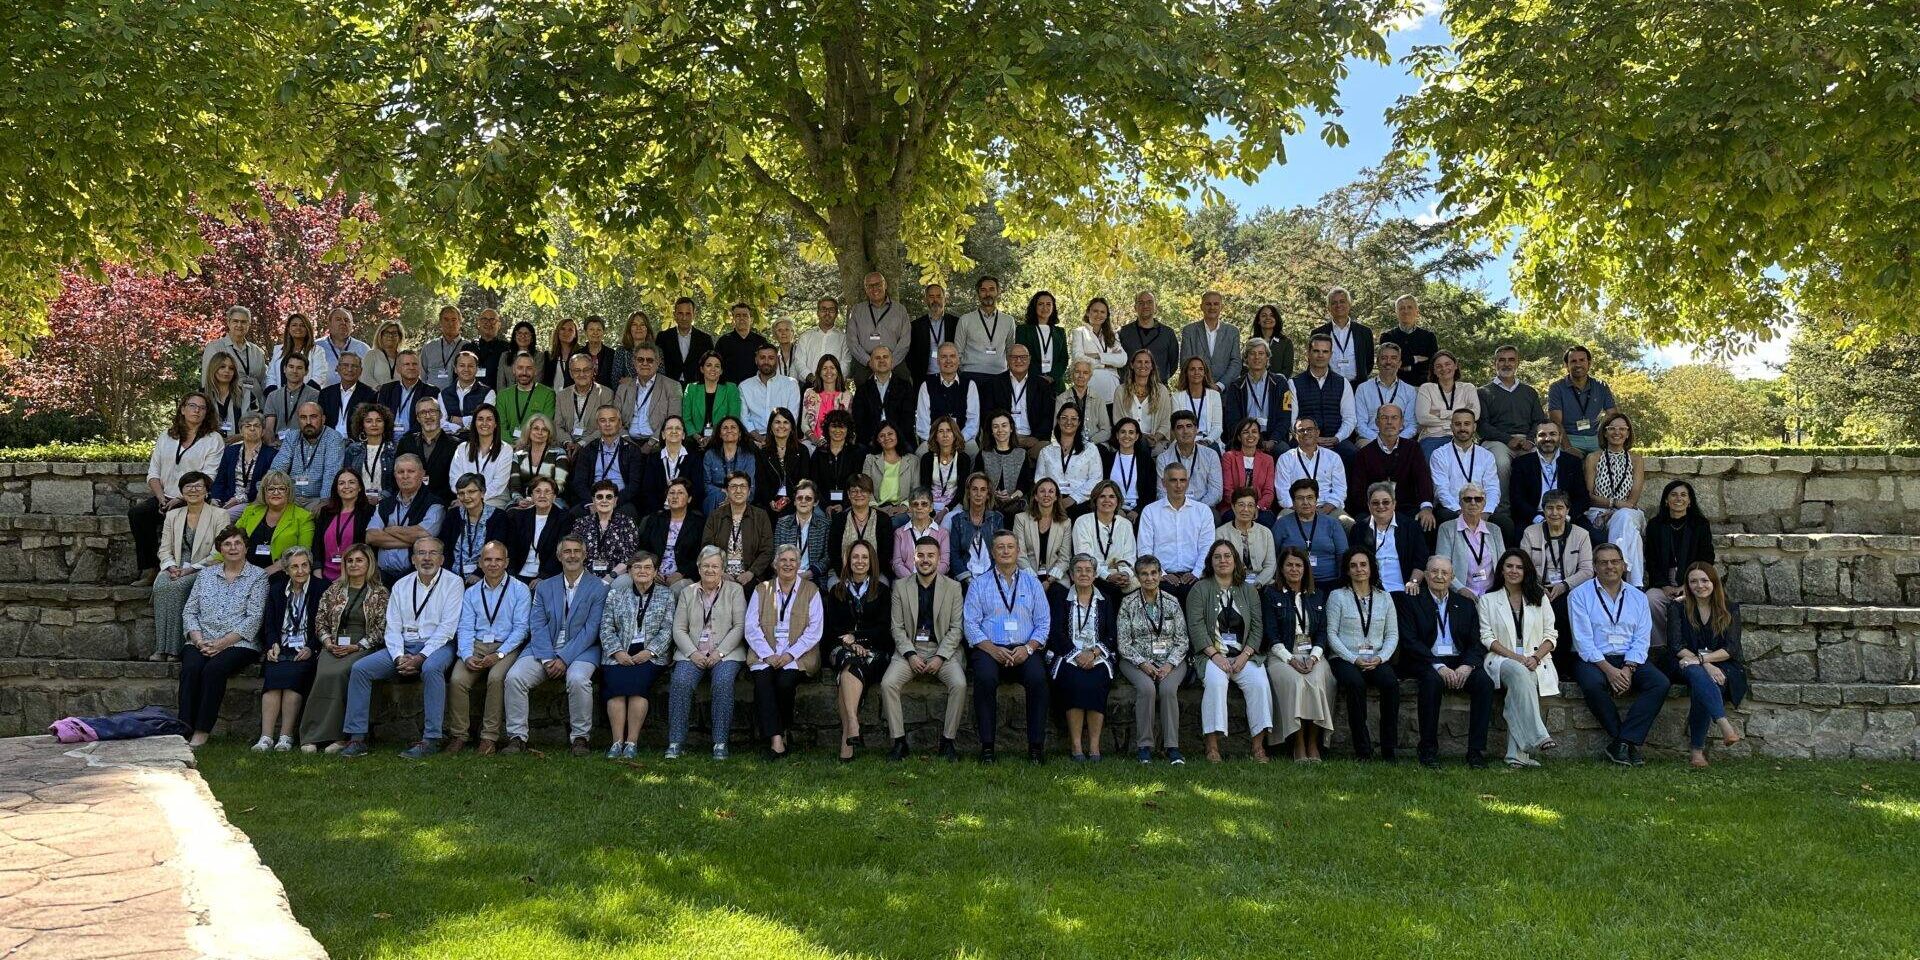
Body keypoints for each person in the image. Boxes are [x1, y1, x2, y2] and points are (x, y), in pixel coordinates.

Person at [338, 536, 462, 758]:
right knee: (360, 669)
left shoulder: (454, 583)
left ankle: (431, 739)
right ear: (413, 559)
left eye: (432, 553)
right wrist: (398, 657)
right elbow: (392, 628)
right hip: (402, 647)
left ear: (442, 559)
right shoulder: (401, 585)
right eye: (421, 553)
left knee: (432, 669)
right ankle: (357, 738)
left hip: (438, 645)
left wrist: (421, 657)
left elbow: (447, 628)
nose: (426, 558)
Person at [498, 536, 609, 755]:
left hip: (582, 650)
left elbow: (591, 629)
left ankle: (580, 738)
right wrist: (549, 658)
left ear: (585, 555)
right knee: (514, 677)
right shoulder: (544, 587)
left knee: (578, 679)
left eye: (577, 551)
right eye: (567, 551)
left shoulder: (599, 588)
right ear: (559, 556)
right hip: (543, 648)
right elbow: (537, 625)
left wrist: (564, 658)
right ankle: (517, 737)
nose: (572, 555)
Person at [1570, 543, 1669, 766]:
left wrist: (1628, 668)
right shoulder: (1579, 595)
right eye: (1603, 562)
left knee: (1659, 683)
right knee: (1593, 684)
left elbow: (1642, 638)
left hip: (1628, 658)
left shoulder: (1638, 597)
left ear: (1624, 566)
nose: (1609, 567)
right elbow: (1583, 641)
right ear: (1594, 567)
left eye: (1614, 562)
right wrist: (1609, 670)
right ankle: (1623, 740)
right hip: (1593, 659)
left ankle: (1622, 742)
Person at [963, 530, 1051, 763]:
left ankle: (1035, 747)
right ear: (993, 552)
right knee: (985, 679)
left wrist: (1029, 649)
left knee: (1038, 679)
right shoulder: (979, 584)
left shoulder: (1032, 583)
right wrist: (993, 649)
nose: (1005, 551)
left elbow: (1043, 623)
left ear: (1018, 551)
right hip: (989, 649)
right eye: (1000, 547)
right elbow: (970, 624)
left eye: (1010, 547)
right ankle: (988, 747)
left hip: (1024, 648)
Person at [177, 525, 269, 747]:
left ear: (246, 548)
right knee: (190, 669)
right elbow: (190, 611)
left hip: (239, 643)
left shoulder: (258, 577)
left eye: (238, 543)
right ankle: (183, 728)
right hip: (201, 639)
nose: (233, 547)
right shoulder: (206, 575)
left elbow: (254, 618)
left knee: (213, 670)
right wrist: (199, 641)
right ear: (220, 549)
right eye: (227, 544)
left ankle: (201, 731)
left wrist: (221, 644)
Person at [1398, 555, 1492, 767]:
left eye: (1444, 573)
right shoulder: (1411, 601)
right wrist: (1439, 666)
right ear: (1426, 574)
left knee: (1484, 683)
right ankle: (1428, 750)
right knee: (1432, 682)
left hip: (1460, 661)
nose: (1439, 576)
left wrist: (1467, 666)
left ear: (1452, 577)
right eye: (1434, 571)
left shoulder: (1465, 604)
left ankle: (1476, 752)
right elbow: (1410, 641)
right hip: (1425, 660)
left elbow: (1476, 642)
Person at [879, 537, 967, 760]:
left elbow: (957, 628)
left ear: (939, 559)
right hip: (910, 649)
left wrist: (940, 657)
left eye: (931, 555)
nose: (925, 560)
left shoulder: (954, 587)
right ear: (914, 557)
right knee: (888, 683)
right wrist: (909, 654)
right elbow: (896, 627)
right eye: (921, 555)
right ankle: (899, 742)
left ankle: (948, 742)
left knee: (959, 684)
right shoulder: (900, 586)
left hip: (942, 650)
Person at [441, 540, 532, 754]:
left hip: (507, 645)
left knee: (496, 678)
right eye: (488, 560)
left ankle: (489, 737)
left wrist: (499, 654)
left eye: (498, 559)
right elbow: (464, 628)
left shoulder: (520, 590)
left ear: (506, 562)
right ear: (480, 563)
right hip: (477, 645)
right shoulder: (471, 592)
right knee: (457, 680)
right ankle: (459, 735)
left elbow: (521, 630)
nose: (493, 564)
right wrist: (466, 655)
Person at [1187, 540, 1271, 763]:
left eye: (1227, 556)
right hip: (1212, 656)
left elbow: (1257, 626)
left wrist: (1245, 656)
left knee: (1260, 684)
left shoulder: (1248, 590)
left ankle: (1258, 747)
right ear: (1210, 562)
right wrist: (1215, 655)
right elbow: (1195, 626)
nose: (1223, 561)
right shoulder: (1200, 589)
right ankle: (1212, 747)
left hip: (1245, 655)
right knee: (1216, 684)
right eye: (1217, 557)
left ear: (1235, 561)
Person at [299, 544, 387, 751]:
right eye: (350, 561)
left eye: (359, 560)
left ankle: (340, 736)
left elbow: (382, 628)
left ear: (369, 563)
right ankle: (312, 734)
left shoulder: (380, 593)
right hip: (334, 643)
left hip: (363, 646)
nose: (354, 564)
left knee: (341, 673)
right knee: (323, 674)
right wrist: (328, 642)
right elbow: (320, 620)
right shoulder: (334, 589)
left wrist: (356, 647)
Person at [131, 393, 227, 581]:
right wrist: (160, 498)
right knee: (138, 514)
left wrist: (181, 499)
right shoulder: (166, 436)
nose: (197, 410)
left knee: (175, 514)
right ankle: (150, 569)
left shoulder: (213, 439)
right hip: (164, 495)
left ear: (207, 412)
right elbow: (153, 473)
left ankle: (177, 568)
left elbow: (208, 477)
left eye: (202, 407)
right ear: (183, 409)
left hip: (193, 498)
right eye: (192, 406)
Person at [1478, 549, 1560, 768]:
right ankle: (1540, 735)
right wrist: (1516, 657)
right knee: (1518, 671)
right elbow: (1487, 637)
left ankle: (1516, 757)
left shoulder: (1539, 597)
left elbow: (1551, 635)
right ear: (1502, 570)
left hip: (1535, 660)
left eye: (1519, 567)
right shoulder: (1487, 600)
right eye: (1509, 566)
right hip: (1501, 659)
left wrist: (1534, 657)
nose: (1514, 571)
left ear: (1526, 571)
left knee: (1522, 684)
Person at [665, 546, 748, 758]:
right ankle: (676, 742)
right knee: (680, 682)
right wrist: (693, 653)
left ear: (723, 569)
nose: (710, 570)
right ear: (698, 568)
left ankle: (720, 743)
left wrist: (718, 653)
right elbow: (678, 628)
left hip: (726, 653)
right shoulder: (687, 592)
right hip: (692, 653)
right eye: (706, 566)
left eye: (715, 566)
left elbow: (739, 626)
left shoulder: (735, 590)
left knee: (722, 683)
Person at [744, 544, 823, 759]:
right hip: (766, 653)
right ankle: (777, 740)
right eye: (783, 560)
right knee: (763, 681)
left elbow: (814, 630)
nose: (788, 564)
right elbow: (751, 627)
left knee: (784, 683)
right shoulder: (762, 589)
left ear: (799, 565)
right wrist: (768, 654)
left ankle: (782, 728)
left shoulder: (811, 591)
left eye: (793, 560)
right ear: (775, 564)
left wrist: (789, 654)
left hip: (798, 655)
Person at [597, 551, 676, 759]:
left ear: (655, 572)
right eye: (637, 567)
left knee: (637, 690)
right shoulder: (616, 594)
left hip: (649, 654)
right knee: (616, 689)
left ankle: (631, 743)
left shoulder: (666, 595)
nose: (642, 571)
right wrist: (617, 651)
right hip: (619, 653)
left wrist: (649, 652)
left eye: (648, 567)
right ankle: (617, 743)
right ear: (630, 571)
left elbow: (668, 629)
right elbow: (606, 627)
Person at [1326, 547, 1400, 761]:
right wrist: (1353, 659)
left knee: (1390, 684)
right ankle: (1363, 750)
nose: (1359, 569)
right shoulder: (1337, 596)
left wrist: (1381, 658)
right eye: (1353, 565)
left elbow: (1392, 634)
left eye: (1363, 564)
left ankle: (1389, 749)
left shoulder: (1385, 598)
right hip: (1345, 658)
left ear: (1371, 568)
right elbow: (1331, 634)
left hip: (1376, 658)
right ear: (1347, 571)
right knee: (1355, 683)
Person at [1115, 555, 1188, 764]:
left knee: (1167, 690)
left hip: (1171, 661)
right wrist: (1144, 665)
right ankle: (1145, 746)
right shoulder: (1128, 603)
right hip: (1136, 661)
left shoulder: (1172, 602)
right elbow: (1123, 642)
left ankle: (1172, 747)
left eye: (1154, 573)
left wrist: (1168, 665)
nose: (1149, 578)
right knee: (1147, 689)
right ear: (1137, 577)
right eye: (1144, 574)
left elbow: (1182, 640)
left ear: (1159, 574)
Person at [1671, 562, 1746, 768]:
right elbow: (1676, 645)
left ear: (1714, 582)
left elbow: (1731, 648)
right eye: (1693, 581)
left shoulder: (1730, 608)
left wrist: (1704, 661)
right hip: (1684, 661)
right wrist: (1704, 664)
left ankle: (1697, 753)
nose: (1699, 585)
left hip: (1724, 664)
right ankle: (1723, 724)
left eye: (1704, 580)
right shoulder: (1678, 606)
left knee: (1700, 686)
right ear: (1687, 584)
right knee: (1696, 672)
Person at [1262, 547, 1333, 762]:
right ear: (1281, 569)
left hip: (1313, 655)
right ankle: (1298, 743)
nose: (1294, 569)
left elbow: (1322, 633)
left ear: (1306, 568)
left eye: (1299, 565)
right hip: (1282, 655)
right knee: (1296, 682)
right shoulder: (1270, 594)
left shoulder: (1317, 594)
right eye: (1289, 565)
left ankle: (1313, 743)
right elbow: (1271, 635)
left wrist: (1313, 658)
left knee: (1316, 680)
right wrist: (1290, 659)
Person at [254, 548, 329, 751]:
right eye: (294, 567)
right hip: (282, 647)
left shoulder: (322, 588)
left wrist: (312, 646)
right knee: (272, 683)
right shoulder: (277, 590)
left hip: (306, 649)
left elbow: (326, 624)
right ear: (286, 570)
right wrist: (272, 645)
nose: (300, 571)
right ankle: (266, 737)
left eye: (304, 565)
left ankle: (286, 737)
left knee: (292, 683)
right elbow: (269, 624)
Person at [824, 541, 890, 761]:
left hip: (875, 648)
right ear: (848, 561)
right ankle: (852, 723)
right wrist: (851, 644)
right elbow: (831, 628)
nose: (859, 562)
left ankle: (848, 732)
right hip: (842, 647)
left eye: (864, 557)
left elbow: (884, 627)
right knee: (849, 660)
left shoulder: (881, 591)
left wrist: (861, 639)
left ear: (871, 561)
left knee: (848, 672)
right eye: (855, 557)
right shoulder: (837, 591)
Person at [150, 472, 227, 661]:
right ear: (182, 492)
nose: (193, 490)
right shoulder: (173, 515)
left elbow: (219, 552)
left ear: (207, 491)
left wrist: (190, 569)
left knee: (177, 588)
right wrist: (170, 567)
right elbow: (164, 549)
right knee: (161, 586)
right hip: (175, 567)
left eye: (198, 486)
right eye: (188, 487)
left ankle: (175, 649)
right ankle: (161, 648)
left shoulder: (219, 515)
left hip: (203, 567)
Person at [1048, 556, 1117, 761]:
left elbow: (1112, 634)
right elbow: (1056, 633)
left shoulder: (1105, 600)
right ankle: (1076, 746)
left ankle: (1094, 747)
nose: (1084, 574)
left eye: (1088, 570)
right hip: (1069, 656)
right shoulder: (1061, 599)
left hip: (1098, 655)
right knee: (1074, 681)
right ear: (1071, 575)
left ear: (1095, 575)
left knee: (1096, 682)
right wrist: (1077, 655)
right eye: (1079, 570)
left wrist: (1094, 653)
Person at [1520, 490, 1595, 674]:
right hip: (1537, 587)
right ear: (1543, 511)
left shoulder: (1581, 534)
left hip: (1569, 588)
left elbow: (1587, 570)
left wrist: (1564, 586)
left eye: (1560, 508)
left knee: (1565, 607)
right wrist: (1538, 587)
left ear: (1567, 510)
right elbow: (1523, 565)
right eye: (1550, 508)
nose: (1555, 513)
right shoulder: (1531, 533)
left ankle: (1563, 667)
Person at [1644, 479, 1716, 659]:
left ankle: (1689, 647)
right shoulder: (1655, 525)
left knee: (1693, 600)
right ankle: (1661, 646)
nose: (1679, 499)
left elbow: (1707, 558)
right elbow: (1650, 559)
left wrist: (1688, 584)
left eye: (1684, 495)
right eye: (1674, 495)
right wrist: (1664, 585)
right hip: (1664, 582)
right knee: (1651, 599)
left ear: (1690, 501)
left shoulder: (1700, 524)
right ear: (1666, 500)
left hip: (1692, 581)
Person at [1348, 404, 1436, 529]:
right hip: (1374, 509)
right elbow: (1357, 491)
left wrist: (1426, 508)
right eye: (1384, 418)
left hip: (1406, 508)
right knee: (1361, 526)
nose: (1389, 422)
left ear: (1402, 423)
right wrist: (1379, 510)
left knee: (1425, 522)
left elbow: (1423, 480)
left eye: (1394, 418)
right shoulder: (1364, 454)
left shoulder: (1413, 449)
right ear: (1377, 422)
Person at [1584, 412, 1648, 585]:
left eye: (1622, 429)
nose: (1617, 432)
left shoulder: (1636, 459)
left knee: (1625, 516)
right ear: (1604, 432)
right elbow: (1589, 496)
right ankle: (1635, 584)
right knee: (1633, 537)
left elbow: (1633, 499)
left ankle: (1612, 570)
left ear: (1628, 433)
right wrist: (1613, 504)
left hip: (1629, 511)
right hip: (1599, 512)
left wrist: (1617, 510)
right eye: (1612, 428)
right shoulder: (1593, 458)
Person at [1430, 409, 1511, 542]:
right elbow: (1441, 490)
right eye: (1458, 424)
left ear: (1474, 427)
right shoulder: (1439, 454)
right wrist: (1460, 512)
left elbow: (1492, 488)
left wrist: (1486, 512)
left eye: (1467, 424)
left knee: (1505, 524)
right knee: (1443, 519)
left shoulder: (1486, 455)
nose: (1462, 428)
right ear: (1451, 427)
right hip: (1452, 509)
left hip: (1480, 508)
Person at [1137, 463, 1213, 602]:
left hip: (1194, 576)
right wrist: (1162, 575)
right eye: (1173, 480)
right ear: (1163, 483)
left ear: (1188, 482)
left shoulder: (1202, 511)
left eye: (1182, 480)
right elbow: (1145, 549)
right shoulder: (1150, 511)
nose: (1179, 485)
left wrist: (1196, 573)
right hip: (1160, 576)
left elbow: (1207, 547)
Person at [366, 455, 446, 585]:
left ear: (422, 474)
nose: (405, 476)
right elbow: (371, 536)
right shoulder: (385, 504)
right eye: (400, 472)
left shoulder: (434, 504)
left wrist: (390, 529)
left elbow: (424, 535)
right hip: (381, 576)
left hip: (415, 576)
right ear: (395, 475)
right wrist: (412, 542)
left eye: (411, 471)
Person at [1478, 344, 1548, 485]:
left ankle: (1534, 505)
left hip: (1526, 441)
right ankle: (1503, 506)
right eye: (1502, 360)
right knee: (1502, 463)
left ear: (1517, 363)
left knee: (1539, 461)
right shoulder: (1483, 392)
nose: (1507, 364)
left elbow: (1539, 421)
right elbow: (1482, 426)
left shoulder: (1529, 392)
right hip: (1496, 441)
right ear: (1495, 364)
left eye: (1511, 360)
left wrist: (1530, 440)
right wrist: (1508, 439)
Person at [1507, 419, 1592, 533]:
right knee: (1519, 540)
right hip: (1534, 517)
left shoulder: (1573, 462)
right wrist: (1538, 518)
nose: (1547, 439)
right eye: (1542, 435)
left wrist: (1567, 517)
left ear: (1560, 438)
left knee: (1595, 538)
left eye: (1552, 434)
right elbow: (1516, 498)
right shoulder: (1522, 463)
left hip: (1567, 516)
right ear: (1535, 439)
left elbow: (1582, 498)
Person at [1350, 481, 1430, 597]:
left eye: (1386, 502)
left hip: (1403, 590)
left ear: (1394, 504)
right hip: (1371, 592)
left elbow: (1421, 561)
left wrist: (1414, 582)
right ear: (1369, 505)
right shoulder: (1359, 529)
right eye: (1375, 503)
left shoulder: (1411, 527)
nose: (1381, 506)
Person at [1272, 418, 1350, 527]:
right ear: (1295, 435)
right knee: (1282, 519)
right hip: (1296, 508)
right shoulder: (1285, 458)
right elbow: (1283, 494)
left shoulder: (1333, 457)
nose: (1305, 433)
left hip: (1327, 508)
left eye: (1310, 429)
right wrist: (1302, 509)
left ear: (1317, 432)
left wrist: (1326, 508)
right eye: (1301, 430)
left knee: (1348, 523)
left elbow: (1340, 489)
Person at [568, 405, 644, 515]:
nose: (607, 424)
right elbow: (579, 483)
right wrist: (593, 501)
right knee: (573, 515)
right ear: (597, 425)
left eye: (612, 420)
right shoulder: (587, 450)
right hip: (594, 499)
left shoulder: (632, 450)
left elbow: (634, 485)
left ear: (620, 423)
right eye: (603, 420)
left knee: (629, 513)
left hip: (620, 500)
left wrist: (614, 501)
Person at [702, 471, 774, 588]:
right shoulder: (715, 516)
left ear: (749, 490)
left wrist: (751, 573)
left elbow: (768, 549)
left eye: (743, 486)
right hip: (719, 576)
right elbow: (707, 547)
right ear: (726, 490)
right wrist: (720, 573)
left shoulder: (760, 516)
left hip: (750, 577)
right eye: (733, 486)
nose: (738, 490)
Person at [1289, 335, 1358, 456]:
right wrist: (1311, 437)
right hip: (1304, 440)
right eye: (1316, 351)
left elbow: (1350, 418)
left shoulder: (1343, 383)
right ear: (1308, 353)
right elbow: (1292, 420)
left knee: (1352, 453)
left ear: (1331, 354)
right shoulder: (1294, 383)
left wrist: (1337, 438)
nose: (1321, 355)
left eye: (1325, 351)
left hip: (1335, 441)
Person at [236, 471, 314, 575]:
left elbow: (303, 552)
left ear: (289, 491)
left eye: (281, 489)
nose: (276, 493)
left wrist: (275, 567)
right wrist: (217, 559)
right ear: (264, 492)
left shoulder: (303, 517)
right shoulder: (250, 511)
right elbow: (232, 538)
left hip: (281, 574)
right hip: (244, 571)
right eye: (271, 489)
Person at [1436, 482, 1506, 597]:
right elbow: (1442, 566)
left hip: (1492, 594)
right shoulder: (1446, 529)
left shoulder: (1495, 530)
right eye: (1468, 499)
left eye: (1478, 499)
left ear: (1484, 503)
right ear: (1460, 503)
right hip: (1460, 594)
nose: (1473, 503)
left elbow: (1503, 564)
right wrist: (1460, 590)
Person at [1273, 479, 1348, 585]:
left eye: (1310, 497)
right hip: (1293, 583)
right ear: (1293, 502)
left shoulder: (1332, 524)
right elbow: (1273, 556)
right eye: (1300, 498)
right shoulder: (1282, 524)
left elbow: (1343, 556)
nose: (1305, 502)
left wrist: (1342, 584)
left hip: (1328, 582)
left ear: (1316, 500)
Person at [441, 473, 512, 584]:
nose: (466, 497)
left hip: (486, 578)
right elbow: (444, 548)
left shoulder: (498, 517)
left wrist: (479, 573)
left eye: (471, 492)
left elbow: (499, 551)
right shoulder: (453, 515)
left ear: (482, 493)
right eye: (461, 493)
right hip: (452, 578)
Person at [1548, 345, 1618, 455]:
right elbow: (1556, 422)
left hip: (1595, 439)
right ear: (1566, 365)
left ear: (1589, 363)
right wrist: (1568, 448)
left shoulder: (1601, 386)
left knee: (1606, 462)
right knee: (1573, 463)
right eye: (1573, 361)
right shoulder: (1557, 388)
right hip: (1569, 438)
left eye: (1582, 360)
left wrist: (1604, 437)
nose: (1578, 364)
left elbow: (1613, 415)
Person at [637, 477, 704, 592]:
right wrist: (652, 569)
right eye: (671, 493)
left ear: (689, 499)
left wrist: (681, 573)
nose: (674, 496)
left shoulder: (698, 523)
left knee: (677, 590)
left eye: (680, 493)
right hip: (654, 574)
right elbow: (643, 549)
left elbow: (701, 555)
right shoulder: (655, 519)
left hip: (683, 577)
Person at [1223, 340, 1291, 452]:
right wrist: (1246, 438)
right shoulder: (1236, 386)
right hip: (1244, 438)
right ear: (1246, 358)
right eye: (1252, 353)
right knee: (1230, 450)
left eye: (1261, 353)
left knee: (1283, 450)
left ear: (1267, 358)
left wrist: (1274, 440)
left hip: (1272, 437)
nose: (1256, 357)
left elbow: (1285, 417)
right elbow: (1232, 420)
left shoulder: (1280, 383)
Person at [981, 344, 1052, 450]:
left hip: (1033, 439)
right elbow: (987, 414)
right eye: (1014, 357)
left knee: (1046, 450)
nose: (1018, 361)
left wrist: (1036, 438)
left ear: (1029, 359)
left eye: (1023, 357)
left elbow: (1048, 416)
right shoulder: (994, 384)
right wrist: (1003, 436)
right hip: (1002, 437)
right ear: (1007, 359)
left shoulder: (1042, 385)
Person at [845, 273, 912, 384]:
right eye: (869, 286)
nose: (874, 288)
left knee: (905, 381)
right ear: (865, 289)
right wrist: (868, 361)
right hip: (866, 361)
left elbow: (905, 340)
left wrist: (891, 362)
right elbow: (852, 341)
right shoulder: (857, 310)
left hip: (893, 360)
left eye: (877, 284)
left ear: (885, 285)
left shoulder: (900, 310)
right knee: (861, 385)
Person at [1414, 351, 1481, 458]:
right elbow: (1422, 418)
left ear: (1455, 366)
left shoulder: (1468, 388)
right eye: (1438, 366)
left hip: (1462, 437)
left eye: (1447, 364)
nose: (1444, 368)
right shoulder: (1427, 388)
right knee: (1431, 458)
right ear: (1434, 371)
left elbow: (1475, 415)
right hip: (1433, 437)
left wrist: (1441, 413)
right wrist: (1460, 418)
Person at [1034, 404, 1100, 510]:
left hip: (1081, 504)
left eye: (1074, 419)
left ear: (1079, 423)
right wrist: (1051, 499)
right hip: (1051, 503)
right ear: (1058, 421)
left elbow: (1096, 479)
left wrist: (1072, 499)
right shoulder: (1046, 452)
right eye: (1064, 418)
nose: (1069, 422)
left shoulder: (1090, 449)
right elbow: (1039, 480)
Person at [312, 469, 374, 582]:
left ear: (360, 487)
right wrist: (317, 572)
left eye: (351, 482)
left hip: (355, 577)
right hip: (323, 577)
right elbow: (316, 544)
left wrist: (345, 578)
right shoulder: (326, 512)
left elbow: (368, 548)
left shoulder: (369, 512)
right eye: (341, 483)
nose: (346, 486)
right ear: (336, 488)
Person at [916, 342, 981, 449]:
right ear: (937, 361)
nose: (948, 360)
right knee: (921, 452)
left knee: (973, 450)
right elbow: (923, 423)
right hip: (934, 440)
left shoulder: (970, 385)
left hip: (962, 440)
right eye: (943, 357)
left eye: (952, 356)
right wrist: (938, 441)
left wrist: (958, 440)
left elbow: (973, 422)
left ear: (958, 360)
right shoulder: (926, 385)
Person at [573, 480, 640, 582]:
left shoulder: (627, 523)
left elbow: (629, 558)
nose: (604, 500)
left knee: (624, 581)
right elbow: (575, 554)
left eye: (609, 497)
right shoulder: (581, 523)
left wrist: (610, 577)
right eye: (599, 497)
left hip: (616, 576)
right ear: (593, 500)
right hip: (585, 576)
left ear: (615, 500)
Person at [213, 414, 278, 520]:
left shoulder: (271, 454)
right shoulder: (230, 451)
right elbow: (220, 479)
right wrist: (215, 500)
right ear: (241, 431)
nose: (252, 429)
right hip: (227, 500)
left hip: (254, 501)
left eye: (257, 426)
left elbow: (265, 485)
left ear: (263, 431)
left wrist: (239, 499)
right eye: (247, 426)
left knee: (221, 518)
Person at [399, 395, 460, 503]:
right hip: (410, 503)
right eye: (423, 413)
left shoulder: (456, 445)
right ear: (417, 418)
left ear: (440, 414)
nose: (428, 416)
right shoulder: (406, 443)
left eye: (432, 411)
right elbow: (397, 475)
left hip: (444, 504)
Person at [618, 343, 679, 450]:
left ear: (658, 362)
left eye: (650, 360)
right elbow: (615, 419)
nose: (644, 363)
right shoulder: (623, 388)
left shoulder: (672, 386)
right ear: (634, 362)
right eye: (640, 359)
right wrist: (627, 439)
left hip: (658, 444)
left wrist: (651, 443)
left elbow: (674, 420)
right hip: (627, 443)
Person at [448, 404, 512, 507]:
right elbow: (455, 479)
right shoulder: (462, 449)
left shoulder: (505, 449)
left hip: (495, 498)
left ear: (495, 424)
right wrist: (466, 497)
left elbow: (498, 484)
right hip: (464, 499)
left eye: (489, 419)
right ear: (474, 423)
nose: (484, 423)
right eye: (480, 419)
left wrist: (475, 499)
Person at [850, 345, 915, 446]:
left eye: (885, 357)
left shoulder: (905, 387)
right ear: (871, 363)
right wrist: (875, 440)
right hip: (870, 442)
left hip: (900, 442)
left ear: (892, 361)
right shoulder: (862, 390)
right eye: (877, 358)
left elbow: (908, 420)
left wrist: (893, 440)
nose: (881, 360)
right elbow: (859, 421)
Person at [1353, 343, 1416, 447]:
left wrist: (1396, 441)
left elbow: (1411, 425)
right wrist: (1380, 441)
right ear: (1377, 362)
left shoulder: (1410, 391)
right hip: (1369, 438)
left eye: (1393, 358)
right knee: (1368, 451)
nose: (1388, 362)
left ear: (1400, 363)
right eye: (1384, 358)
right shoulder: (1363, 389)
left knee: (1410, 450)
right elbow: (1360, 424)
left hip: (1401, 438)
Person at [1157, 411, 1223, 509]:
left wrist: (1196, 509)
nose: (1185, 431)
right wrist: (1179, 509)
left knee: (1215, 518)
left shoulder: (1211, 455)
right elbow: (1162, 492)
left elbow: (1216, 491)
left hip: (1203, 508)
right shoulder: (1163, 458)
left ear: (1196, 429)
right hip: (1173, 509)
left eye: (1189, 426)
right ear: (1173, 432)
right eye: (1180, 427)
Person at [1179, 290, 1243, 391]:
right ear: (1201, 307)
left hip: (1225, 393)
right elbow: (1185, 362)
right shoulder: (1189, 331)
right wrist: (1201, 386)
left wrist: (1219, 385)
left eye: (1216, 304)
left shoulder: (1232, 332)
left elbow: (1236, 362)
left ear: (1221, 307)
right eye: (1208, 304)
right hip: (1195, 392)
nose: (1212, 307)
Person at [1014, 478, 1072, 587]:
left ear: (1055, 497)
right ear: (1035, 496)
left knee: (1058, 595)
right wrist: (1035, 580)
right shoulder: (1021, 519)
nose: (1046, 495)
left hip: (1055, 578)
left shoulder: (1065, 523)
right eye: (1042, 491)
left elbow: (1065, 558)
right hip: (1028, 575)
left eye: (1051, 491)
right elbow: (1019, 554)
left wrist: (1049, 581)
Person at [954, 275, 1015, 376]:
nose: (987, 294)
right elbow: (957, 352)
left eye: (991, 289)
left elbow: (1010, 352)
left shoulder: (1008, 321)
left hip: (999, 375)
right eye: (983, 290)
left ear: (998, 292)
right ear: (978, 293)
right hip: (971, 374)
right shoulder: (965, 319)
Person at [740, 345, 802, 444]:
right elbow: (744, 418)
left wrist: (776, 440)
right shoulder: (745, 386)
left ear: (777, 360)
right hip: (754, 440)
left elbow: (792, 416)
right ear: (756, 360)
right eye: (762, 357)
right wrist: (760, 439)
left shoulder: (791, 384)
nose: (766, 361)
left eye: (771, 358)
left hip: (784, 438)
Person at [201, 305, 270, 395]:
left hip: (257, 405)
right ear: (228, 323)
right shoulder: (214, 348)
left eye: (243, 322)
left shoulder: (257, 351)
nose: (239, 325)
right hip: (230, 404)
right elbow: (207, 380)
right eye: (235, 321)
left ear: (249, 324)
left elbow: (264, 380)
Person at [1070, 296, 1127, 403]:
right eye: (1095, 311)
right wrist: (1106, 364)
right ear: (1088, 313)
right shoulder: (1079, 332)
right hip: (1090, 386)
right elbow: (1078, 358)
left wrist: (1098, 356)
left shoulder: (1112, 335)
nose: (1099, 315)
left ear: (1106, 315)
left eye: (1102, 312)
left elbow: (1122, 359)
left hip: (1112, 390)